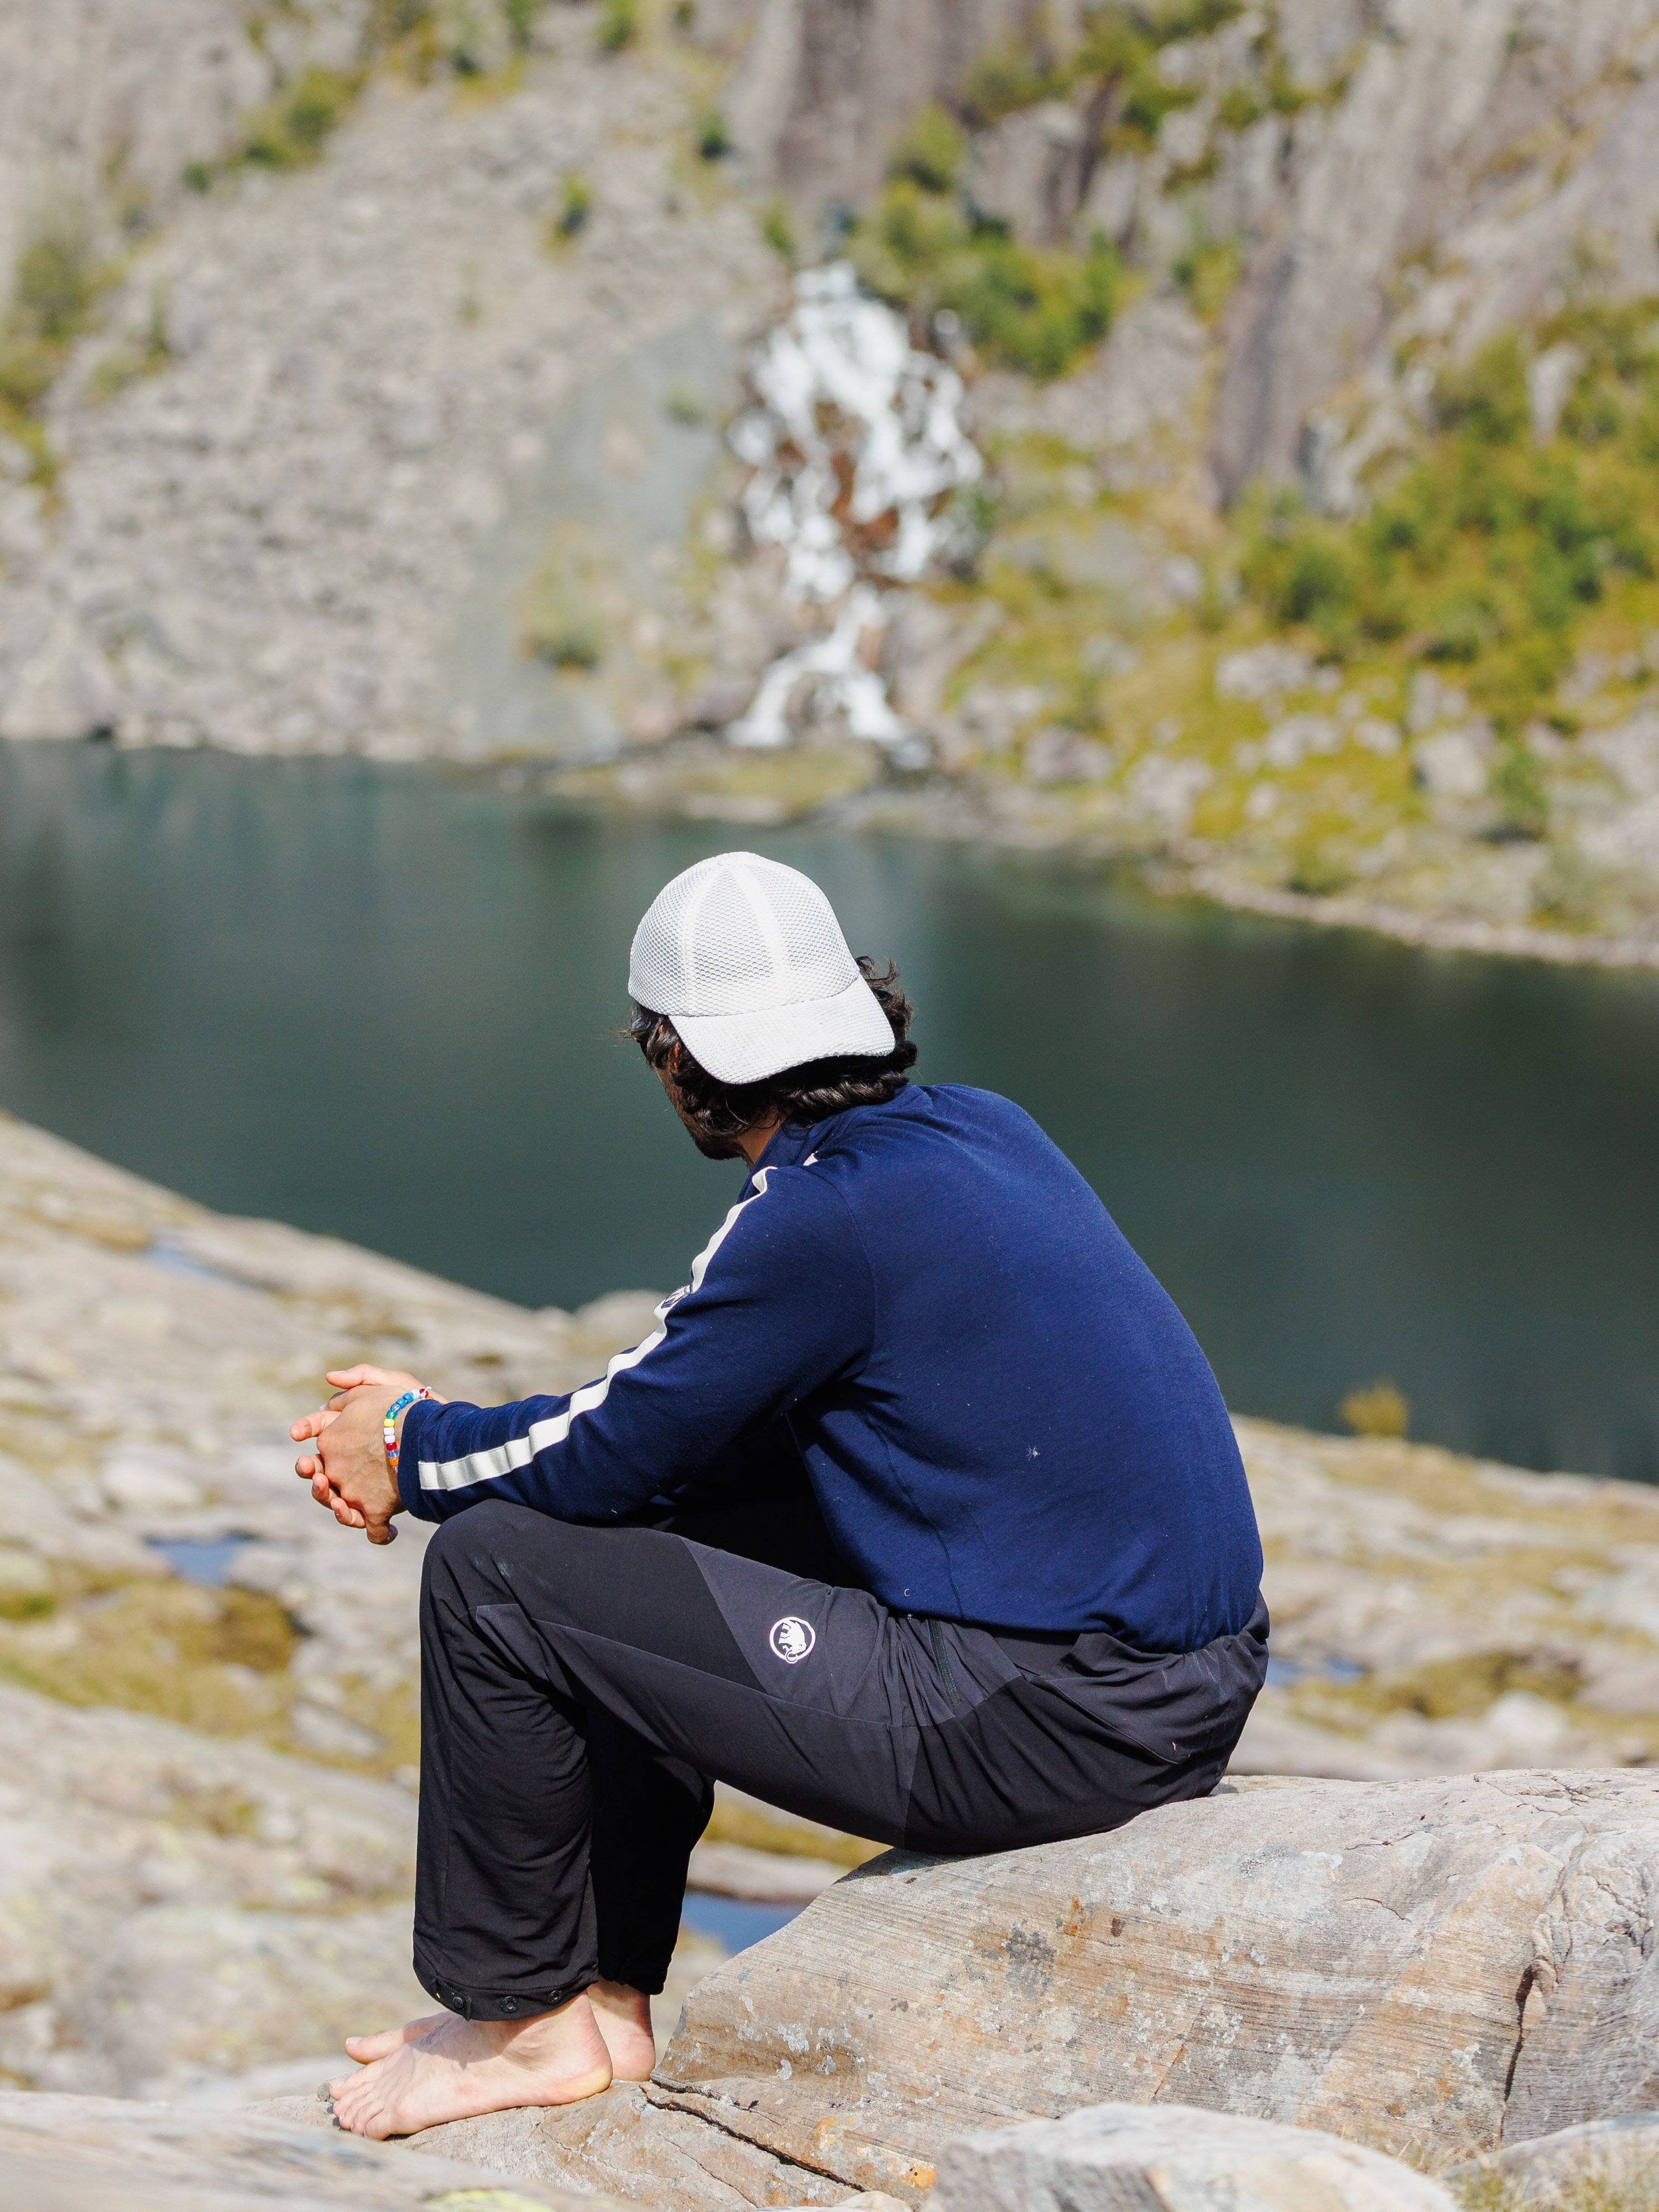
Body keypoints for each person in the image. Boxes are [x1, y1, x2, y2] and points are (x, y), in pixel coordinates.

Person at [291, 849, 1267, 2142]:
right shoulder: (983, 1127)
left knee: (496, 1572)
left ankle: (515, 2024)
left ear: (672, 1057)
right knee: (621, 1530)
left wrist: (408, 1444)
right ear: (856, 1003)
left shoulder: (820, 1212)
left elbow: (611, 1442)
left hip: (1050, 1726)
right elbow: (673, 1451)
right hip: (1181, 1687)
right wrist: (426, 1440)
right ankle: (601, 1996)